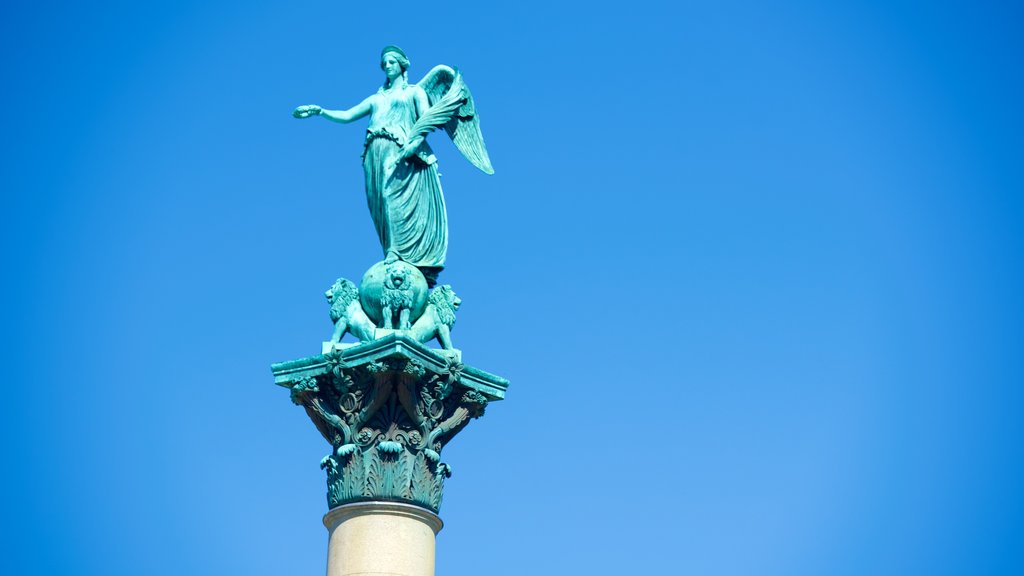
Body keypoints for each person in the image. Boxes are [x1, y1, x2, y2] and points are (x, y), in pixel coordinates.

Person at [294, 46, 447, 285]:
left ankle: (397, 249)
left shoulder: (414, 93)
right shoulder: (376, 99)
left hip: (399, 151)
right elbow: (347, 115)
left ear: (402, 65)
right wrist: (321, 111)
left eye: (391, 62)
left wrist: (415, 143)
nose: (387, 66)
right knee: (377, 200)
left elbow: (426, 121)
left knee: (389, 195)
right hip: (373, 153)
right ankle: (390, 246)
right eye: (384, 63)